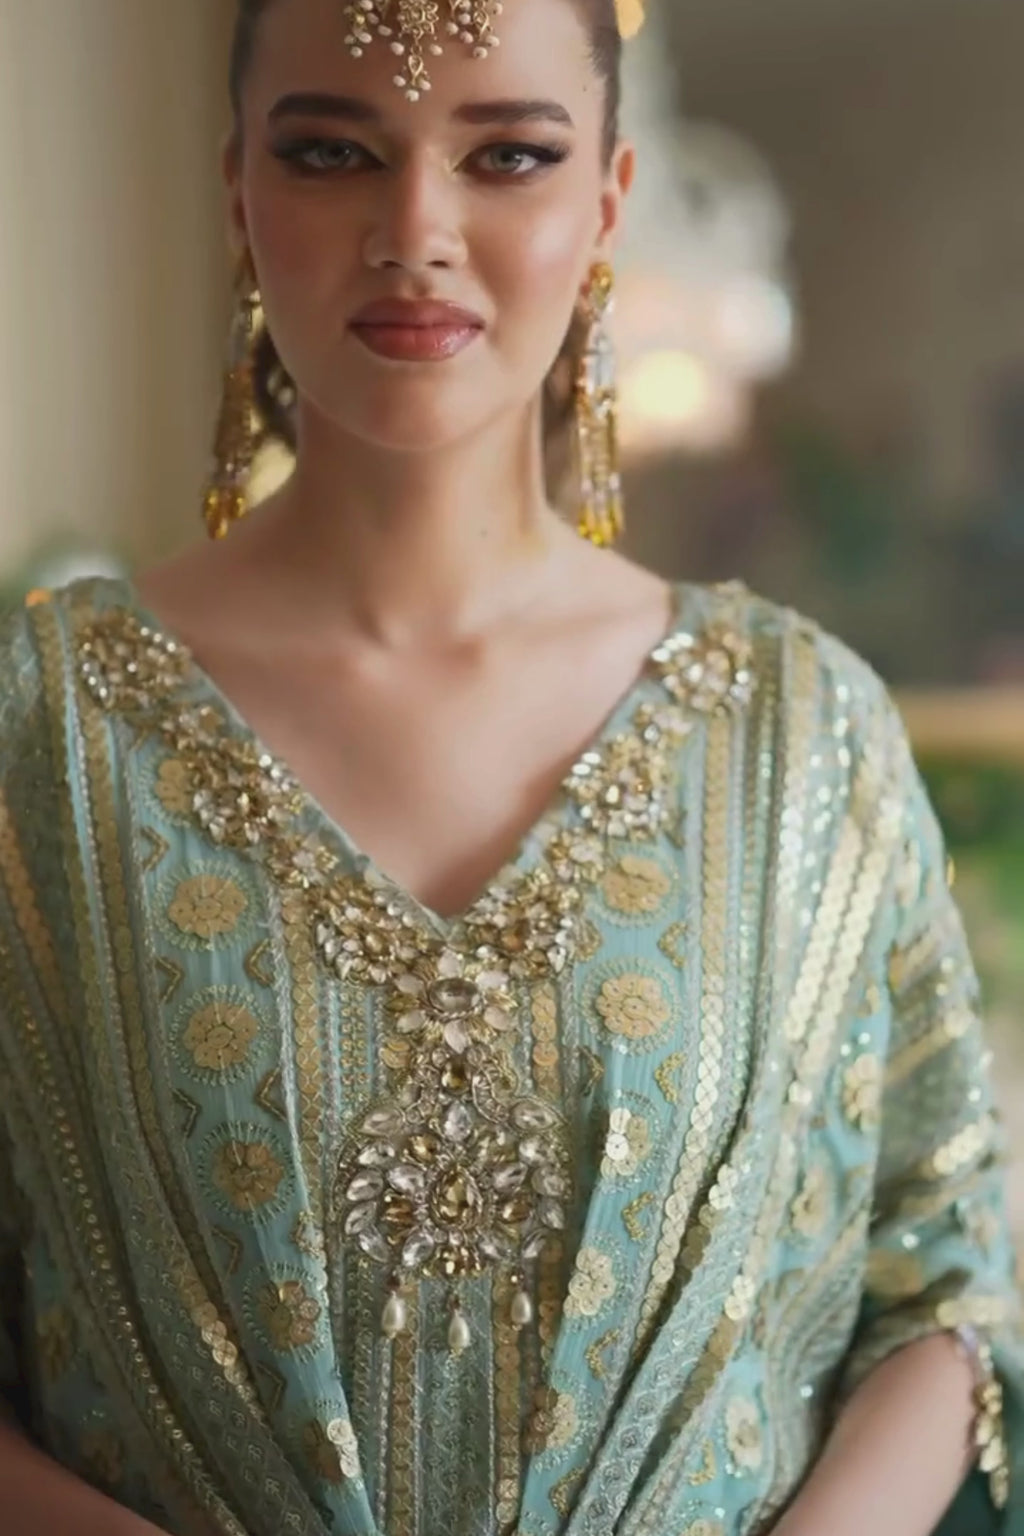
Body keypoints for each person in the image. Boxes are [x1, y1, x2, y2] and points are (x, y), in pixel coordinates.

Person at [0, 1, 1021, 1532]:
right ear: (238, 190)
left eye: (510, 156)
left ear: (606, 200)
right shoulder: (40, 730)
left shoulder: (801, 731)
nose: (417, 228)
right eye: (334, 150)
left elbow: (942, 1282)